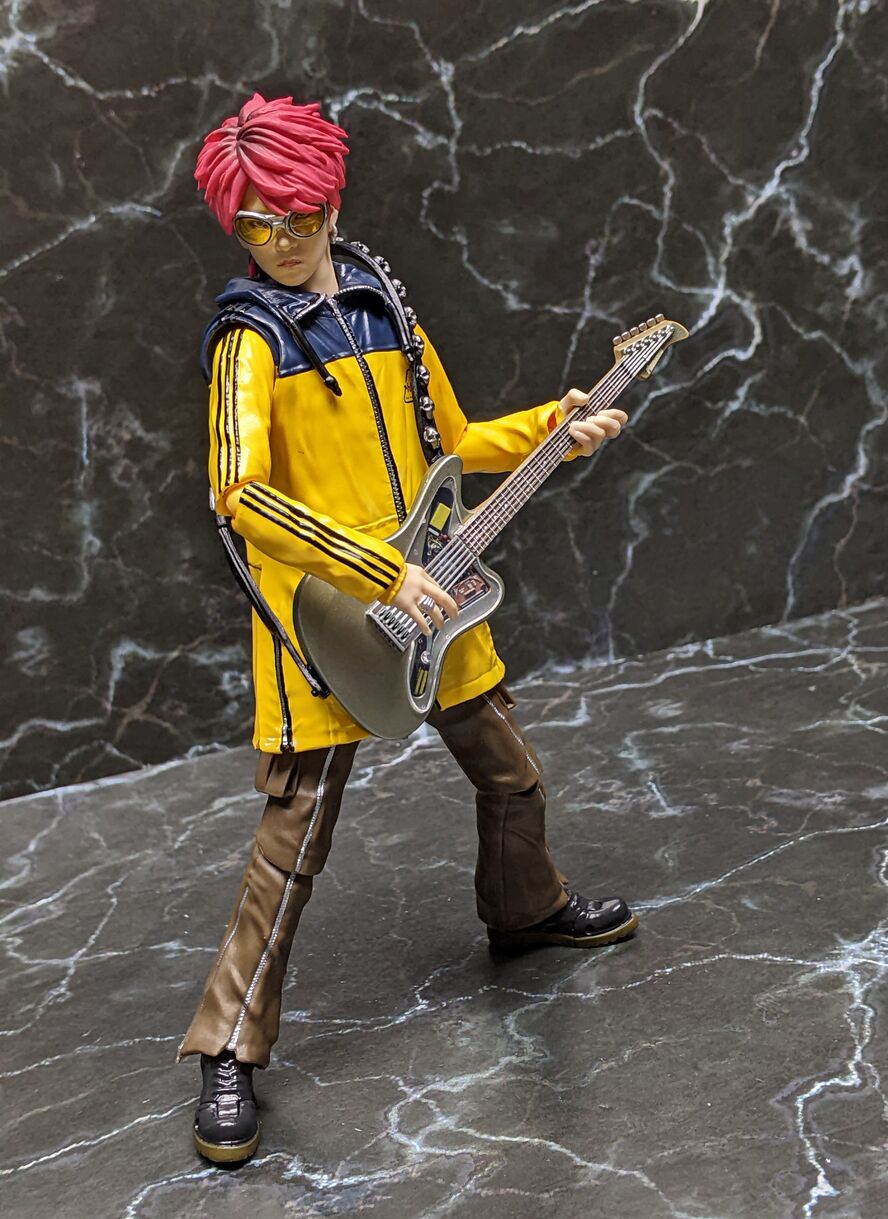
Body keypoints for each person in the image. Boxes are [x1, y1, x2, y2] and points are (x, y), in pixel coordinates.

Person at [179, 92, 637, 1164]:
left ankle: (525, 909)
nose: (281, 240)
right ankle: (229, 1048)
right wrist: (375, 566)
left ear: (331, 202)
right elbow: (239, 493)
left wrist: (558, 427)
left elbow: (458, 438)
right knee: (294, 841)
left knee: (511, 771)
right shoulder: (248, 343)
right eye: (256, 223)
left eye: (297, 216)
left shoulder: (381, 301)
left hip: (436, 586)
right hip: (328, 618)